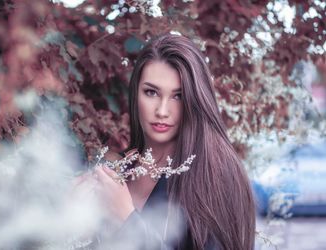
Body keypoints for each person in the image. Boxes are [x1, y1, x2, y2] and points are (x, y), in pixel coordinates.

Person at [80, 33, 256, 250]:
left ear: (196, 99)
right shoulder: (121, 168)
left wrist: (127, 220)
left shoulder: (218, 174)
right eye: (151, 92)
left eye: (178, 96)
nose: (162, 111)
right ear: (136, 94)